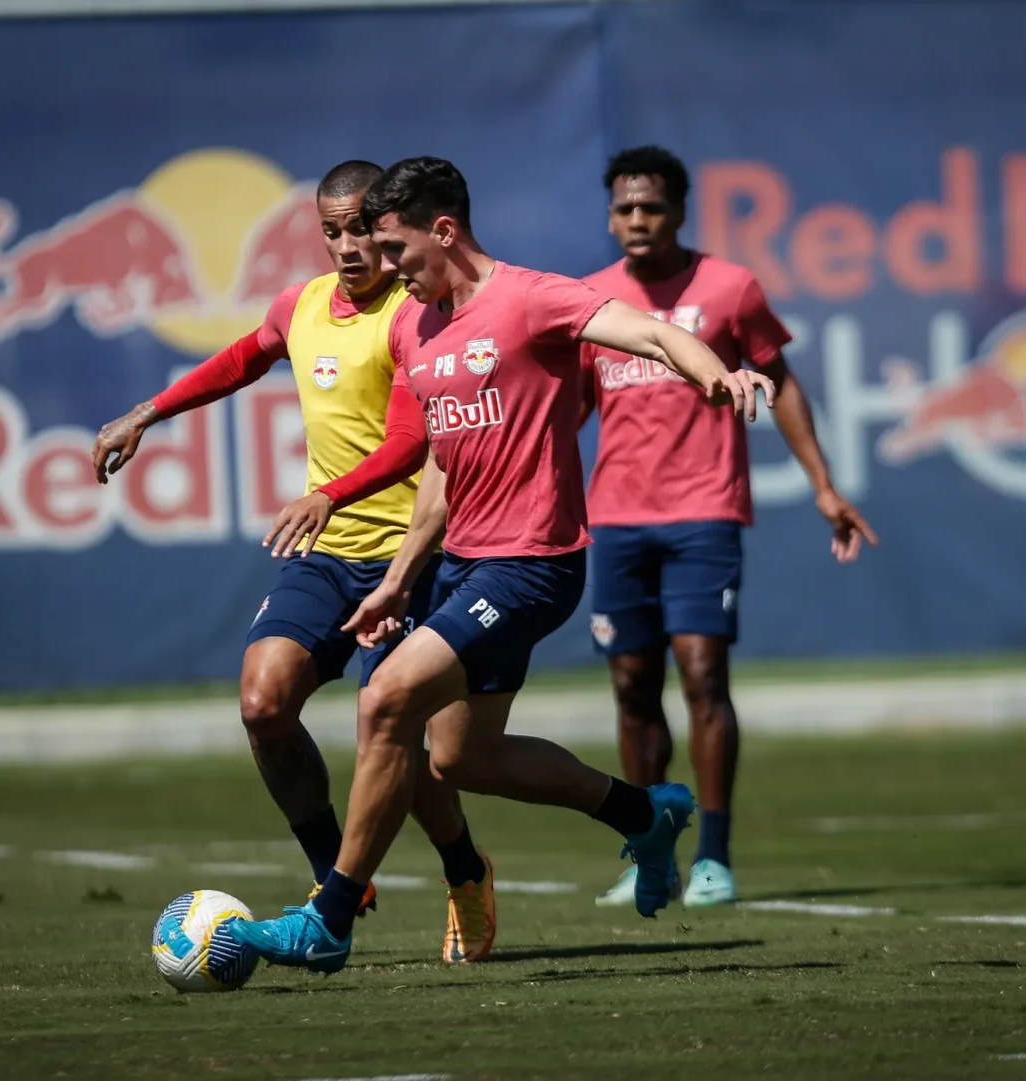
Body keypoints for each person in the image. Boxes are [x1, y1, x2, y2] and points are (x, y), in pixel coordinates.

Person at [229, 156, 775, 974]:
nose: (385, 268)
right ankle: (643, 812)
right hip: (460, 564)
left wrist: (720, 374)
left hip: (533, 564)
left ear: (443, 231)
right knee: (462, 760)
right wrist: (396, 581)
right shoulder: (418, 325)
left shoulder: (531, 299)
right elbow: (441, 471)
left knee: (385, 701)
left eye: (396, 249)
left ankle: (330, 916)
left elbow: (655, 333)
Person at [91, 160, 497, 966]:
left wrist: (330, 492)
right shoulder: (303, 304)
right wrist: (149, 411)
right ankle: (331, 870)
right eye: (332, 231)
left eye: (361, 230)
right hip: (328, 553)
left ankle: (464, 869)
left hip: (410, 558)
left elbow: (413, 440)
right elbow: (243, 356)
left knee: (395, 739)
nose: (349, 247)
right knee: (262, 702)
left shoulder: (420, 315)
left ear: (389, 224)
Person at [580, 146, 878, 909]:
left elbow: (779, 383)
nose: (637, 221)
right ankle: (652, 851)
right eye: (624, 208)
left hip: (704, 513)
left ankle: (713, 854)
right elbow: (565, 411)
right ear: (610, 216)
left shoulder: (729, 288)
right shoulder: (591, 302)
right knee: (630, 686)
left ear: (679, 211)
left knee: (704, 676)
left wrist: (823, 484)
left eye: (651, 207)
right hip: (615, 518)